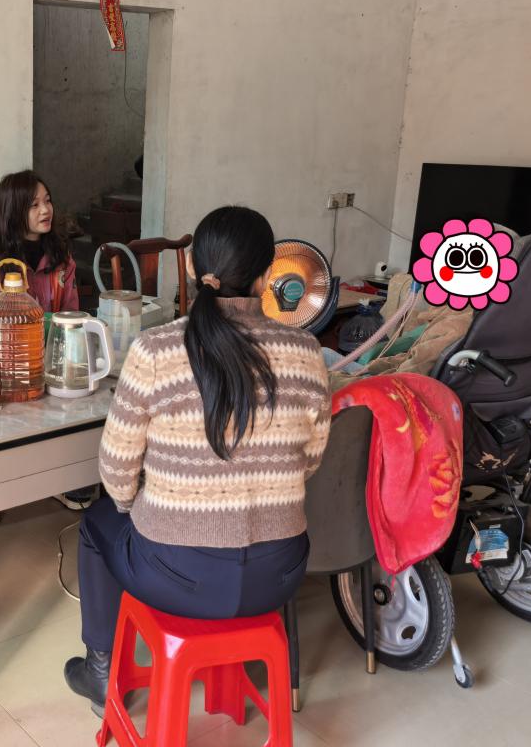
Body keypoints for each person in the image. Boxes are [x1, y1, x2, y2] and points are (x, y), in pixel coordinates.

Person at [64, 206, 331, 714]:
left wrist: (145, 511)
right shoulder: (306, 350)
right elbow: (310, 460)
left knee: (96, 524)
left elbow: (117, 471)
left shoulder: (156, 351)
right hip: (280, 573)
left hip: (177, 576)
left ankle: (101, 673)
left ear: (191, 267)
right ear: (268, 275)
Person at [0, 169, 90, 520]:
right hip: (3, 362)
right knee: (0, 417)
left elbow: (70, 309)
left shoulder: (60, 254)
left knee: (78, 396)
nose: (45, 210)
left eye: (47, 201)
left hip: (49, 354)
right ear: (14, 210)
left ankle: (66, 477)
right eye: (34, 205)